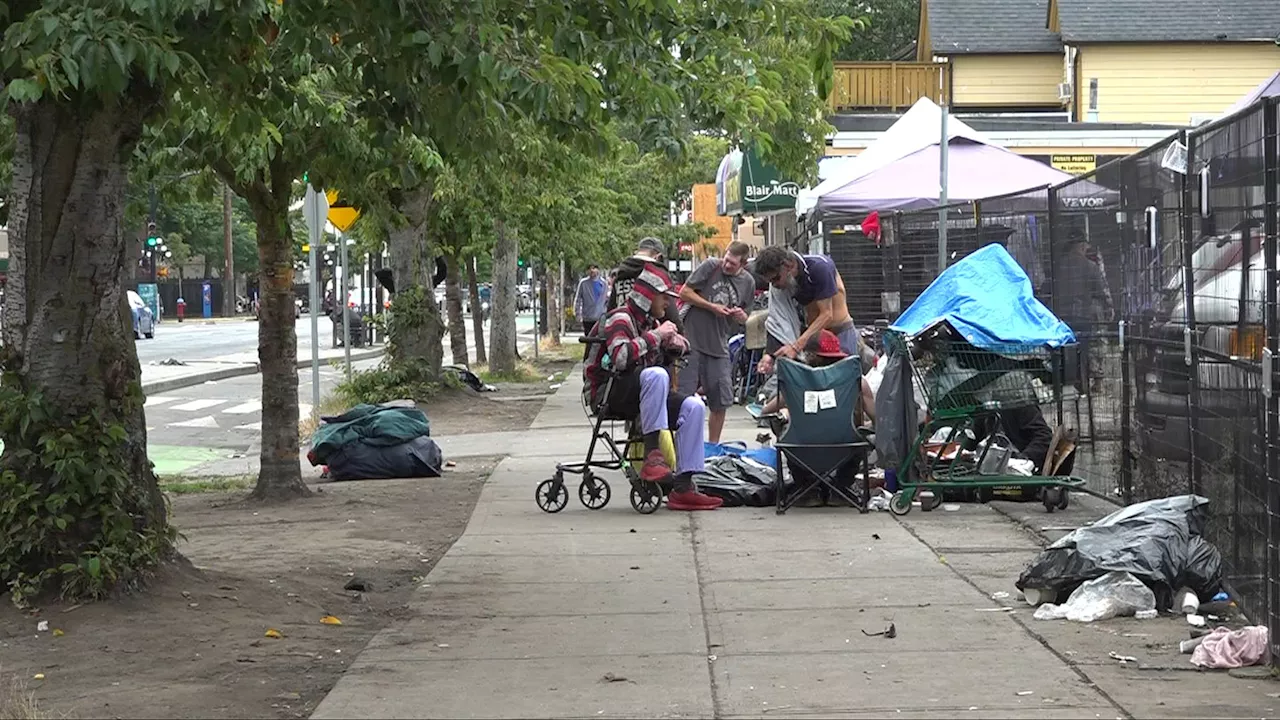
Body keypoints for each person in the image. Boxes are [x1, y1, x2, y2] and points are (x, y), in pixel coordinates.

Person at [584, 263, 723, 511]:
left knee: (694, 406)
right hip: (609, 393)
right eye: (663, 297)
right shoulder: (620, 317)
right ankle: (652, 454)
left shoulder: (650, 323)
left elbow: (657, 357)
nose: (668, 304)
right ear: (648, 296)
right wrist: (657, 337)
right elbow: (620, 357)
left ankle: (683, 486)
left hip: (641, 395)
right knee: (656, 375)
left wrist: (675, 345)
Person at [677, 241, 755, 443]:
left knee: (721, 400)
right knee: (683, 397)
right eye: (726, 259)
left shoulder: (748, 282)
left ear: (743, 264)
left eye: (732, 264)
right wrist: (711, 307)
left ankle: (713, 445)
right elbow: (684, 292)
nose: (726, 265)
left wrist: (739, 315)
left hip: (719, 345)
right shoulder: (711, 266)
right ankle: (683, 444)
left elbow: (746, 316)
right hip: (692, 341)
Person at [752, 246, 859, 372]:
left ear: (788, 265)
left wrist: (797, 346)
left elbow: (827, 314)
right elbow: (777, 319)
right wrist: (769, 355)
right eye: (770, 281)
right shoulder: (780, 284)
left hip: (840, 333)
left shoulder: (820, 267)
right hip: (815, 341)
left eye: (775, 279)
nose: (775, 285)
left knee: (847, 381)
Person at [611, 237, 683, 331]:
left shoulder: (620, 274)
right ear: (658, 256)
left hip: (619, 329)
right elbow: (671, 314)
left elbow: (611, 307)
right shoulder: (656, 275)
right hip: (649, 336)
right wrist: (680, 333)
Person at [573, 264, 608, 333]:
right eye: (590, 269)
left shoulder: (604, 283)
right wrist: (578, 314)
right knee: (589, 338)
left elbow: (606, 300)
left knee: (599, 339)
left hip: (600, 318)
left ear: (598, 270)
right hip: (587, 317)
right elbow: (578, 299)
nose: (592, 271)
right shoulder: (583, 283)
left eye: (594, 268)